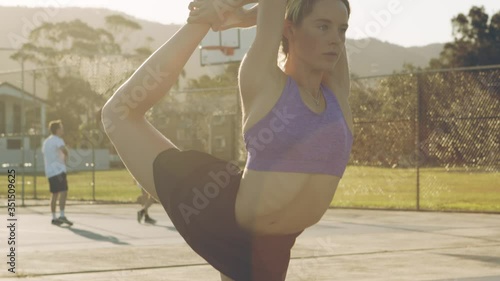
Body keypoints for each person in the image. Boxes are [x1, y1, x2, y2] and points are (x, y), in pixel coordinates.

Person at [101, 0, 352, 280]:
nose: (335, 39)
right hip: (218, 215)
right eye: (322, 27)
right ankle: (200, 23)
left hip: (275, 244)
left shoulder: (337, 92)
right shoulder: (265, 80)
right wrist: (232, 8)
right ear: (289, 29)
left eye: (342, 30)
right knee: (119, 114)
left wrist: (246, 17)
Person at [42, 120, 73, 226]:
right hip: (59, 171)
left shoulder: (46, 142)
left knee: (54, 194)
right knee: (63, 191)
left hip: (50, 171)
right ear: (57, 130)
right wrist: (66, 159)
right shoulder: (58, 140)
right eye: (61, 128)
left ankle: (54, 217)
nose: (62, 130)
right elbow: (64, 150)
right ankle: (62, 215)